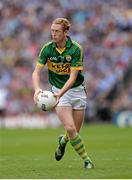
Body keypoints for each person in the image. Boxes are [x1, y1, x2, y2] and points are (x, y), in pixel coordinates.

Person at [32, 18, 94, 169]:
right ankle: (87, 160)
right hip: (58, 93)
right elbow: (36, 73)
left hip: (77, 91)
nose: (53, 34)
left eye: (57, 31)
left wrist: (62, 92)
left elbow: (73, 77)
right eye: (52, 31)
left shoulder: (76, 49)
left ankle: (63, 142)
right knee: (71, 129)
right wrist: (37, 89)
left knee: (74, 132)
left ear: (65, 32)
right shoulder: (47, 49)